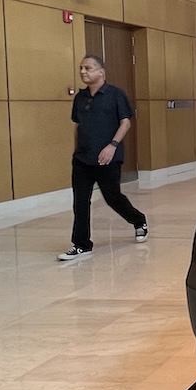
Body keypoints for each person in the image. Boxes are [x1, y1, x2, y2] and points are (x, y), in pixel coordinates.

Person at [59, 55, 147, 260]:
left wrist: (112, 146)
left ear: (101, 72)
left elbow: (125, 123)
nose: (83, 71)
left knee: (112, 198)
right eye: (81, 68)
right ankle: (81, 244)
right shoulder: (80, 97)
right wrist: (77, 150)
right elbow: (79, 125)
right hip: (82, 159)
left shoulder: (115, 94)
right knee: (80, 202)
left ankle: (138, 220)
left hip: (107, 158)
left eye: (88, 68)